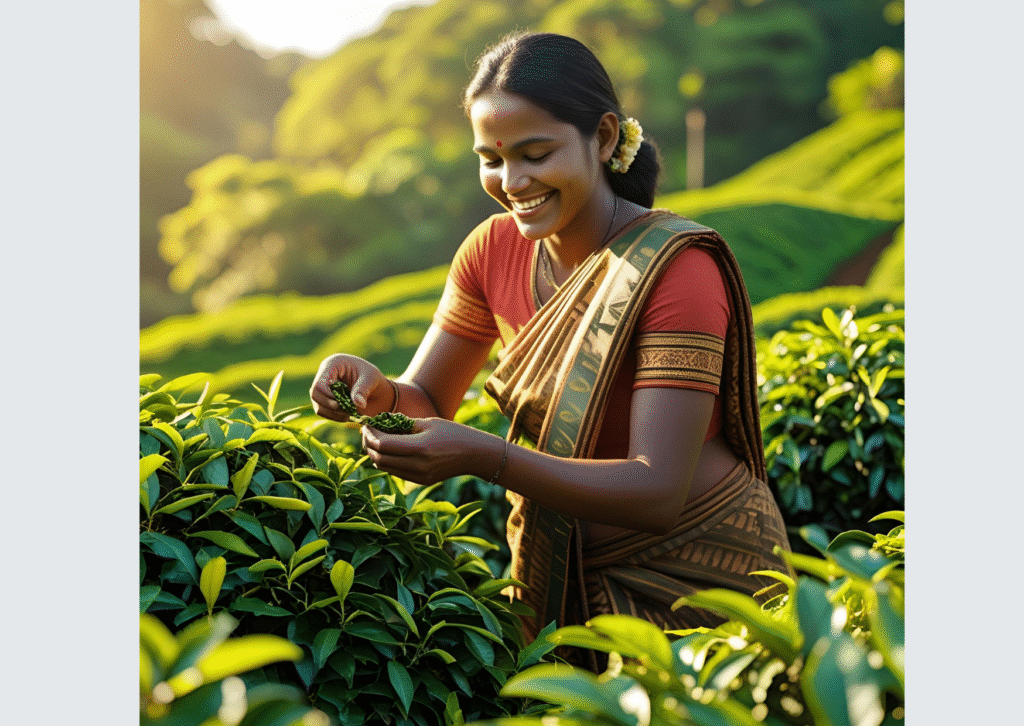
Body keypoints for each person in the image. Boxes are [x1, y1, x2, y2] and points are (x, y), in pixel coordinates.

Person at [309, 32, 791, 669]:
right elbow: (424, 398)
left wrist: (486, 456)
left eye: (536, 154)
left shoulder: (677, 269)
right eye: (491, 159)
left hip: (704, 581)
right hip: (558, 575)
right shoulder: (491, 251)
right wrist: (373, 393)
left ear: (605, 138)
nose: (512, 182)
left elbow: (658, 491)